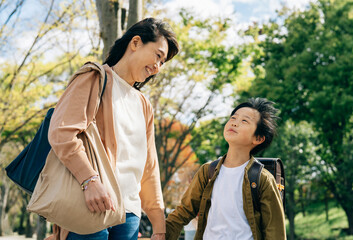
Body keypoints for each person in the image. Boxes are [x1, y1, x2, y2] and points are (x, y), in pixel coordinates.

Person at [47, 18, 179, 240]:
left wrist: (158, 225)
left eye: (163, 62)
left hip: (129, 214)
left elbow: (149, 165)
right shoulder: (93, 78)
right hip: (90, 203)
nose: (158, 67)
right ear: (136, 43)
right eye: (158, 55)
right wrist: (89, 181)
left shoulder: (144, 104)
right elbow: (62, 133)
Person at [165, 98, 286, 240]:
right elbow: (184, 212)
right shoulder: (207, 172)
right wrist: (161, 234)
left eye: (244, 121)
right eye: (233, 118)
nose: (234, 122)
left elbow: (275, 231)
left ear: (258, 138)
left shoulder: (262, 179)